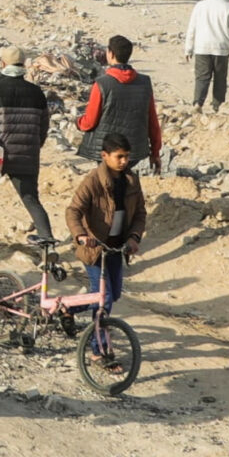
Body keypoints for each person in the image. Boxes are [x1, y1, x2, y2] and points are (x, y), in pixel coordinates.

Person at [0, 45, 57, 246]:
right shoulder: (36, 93)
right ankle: (47, 239)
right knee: (30, 198)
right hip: (27, 155)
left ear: (2, 64)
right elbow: (43, 128)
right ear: (24, 65)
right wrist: (33, 148)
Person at [66, 133, 147, 329]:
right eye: (119, 156)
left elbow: (140, 213)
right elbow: (73, 211)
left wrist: (134, 237)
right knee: (105, 296)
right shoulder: (93, 181)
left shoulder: (131, 180)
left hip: (116, 248)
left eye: (126, 156)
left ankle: (68, 308)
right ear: (104, 155)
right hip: (94, 249)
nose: (124, 161)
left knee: (115, 293)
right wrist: (82, 235)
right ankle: (98, 347)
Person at [75, 35, 162, 171]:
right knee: (124, 181)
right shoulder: (144, 83)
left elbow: (90, 122)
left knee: (108, 182)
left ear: (111, 54)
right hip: (134, 149)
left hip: (107, 148)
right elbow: (152, 120)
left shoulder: (102, 84)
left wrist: (78, 122)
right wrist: (155, 151)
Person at [183, 0, 229, 108]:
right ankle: (218, 106)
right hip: (221, 49)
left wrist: (188, 49)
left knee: (202, 77)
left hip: (202, 48)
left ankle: (197, 104)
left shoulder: (200, 6)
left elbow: (191, 29)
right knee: (220, 79)